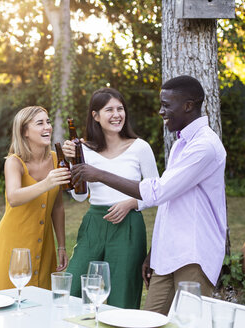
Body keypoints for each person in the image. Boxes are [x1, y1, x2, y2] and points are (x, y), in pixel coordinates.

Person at [70, 76, 227, 315]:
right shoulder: (181, 144)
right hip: (168, 252)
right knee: (148, 319)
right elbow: (169, 202)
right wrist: (155, 252)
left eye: (166, 105)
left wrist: (100, 174)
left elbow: (158, 191)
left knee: (188, 321)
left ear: (188, 105)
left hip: (193, 252)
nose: (161, 111)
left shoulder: (204, 146)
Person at [62, 88, 159, 309]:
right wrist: (71, 162)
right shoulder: (83, 149)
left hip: (128, 227)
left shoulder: (140, 147)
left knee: (122, 296)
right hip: (94, 225)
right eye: (109, 110)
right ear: (95, 116)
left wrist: (132, 203)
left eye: (120, 109)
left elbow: (157, 192)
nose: (117, 114)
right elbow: (79, 197)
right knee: (72, 291)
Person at [0, 106, 71, 292]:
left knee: (39, 310)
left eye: (48, 122)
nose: (47, 127)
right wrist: (47, 182)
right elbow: (14, 197)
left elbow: (58, 208)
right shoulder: (14, 162)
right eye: (40, 123)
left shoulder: (56, 159)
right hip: (12, 248)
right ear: (25, 131)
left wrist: (61, 246)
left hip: (44, 249)